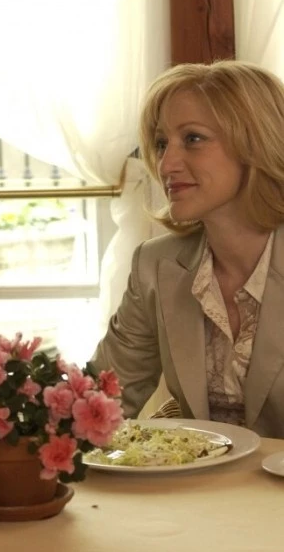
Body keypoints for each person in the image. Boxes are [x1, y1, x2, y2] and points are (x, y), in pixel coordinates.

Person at [89, 60, 284, 439]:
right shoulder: (155, 264)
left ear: (257, 143)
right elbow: (100, 400)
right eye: (162, 144)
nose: (166, 164)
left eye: (193, 138)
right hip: (201, 477)